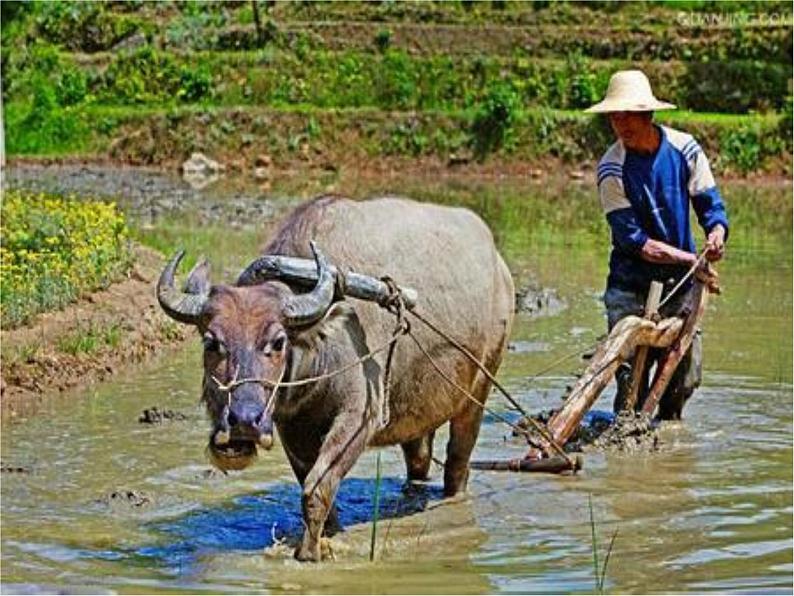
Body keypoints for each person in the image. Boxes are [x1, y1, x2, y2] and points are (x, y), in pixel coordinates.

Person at [585, 70, 729, 419]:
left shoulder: (685, 149)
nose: (620, 125)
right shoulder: (612, 168)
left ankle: (665, 433)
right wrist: (692, 259)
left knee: (684, 376)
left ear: (647, 114)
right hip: (630, 284)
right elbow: (636, 242)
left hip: (679, 286)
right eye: (614, 117)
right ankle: (628, 438)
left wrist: (716, 235)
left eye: (627, 115)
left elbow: (711, 205)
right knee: (629, 379)